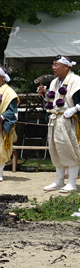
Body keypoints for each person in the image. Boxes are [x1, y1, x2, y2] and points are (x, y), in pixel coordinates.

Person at [39, 55, 80, 192]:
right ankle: (59, 180)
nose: (53, 67)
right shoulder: (55, 82)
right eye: (53, 64)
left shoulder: (76, 80)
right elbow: (53, 101)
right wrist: (45, 94)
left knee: (69, 149)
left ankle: (72, 182)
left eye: (56, 65)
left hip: (68, 118)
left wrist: (75, 109)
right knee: (56, 149)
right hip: (55, 118)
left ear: (66, 66)